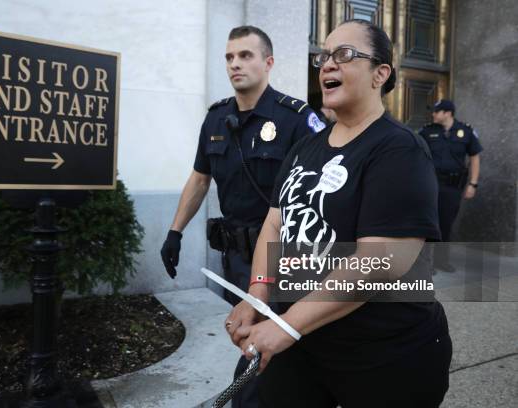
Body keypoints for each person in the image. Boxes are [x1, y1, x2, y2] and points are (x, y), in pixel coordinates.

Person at [225, 19, 452, 408]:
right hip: (302, 345)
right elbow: (275, 225)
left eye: (344, 54)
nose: (328, 63)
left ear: (381, 73)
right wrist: (258, 295)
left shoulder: (399, 151)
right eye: (324, 56)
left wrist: (286, 326)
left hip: (382, 357)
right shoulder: (304, 148)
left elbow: (379, 262)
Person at [160, 25, 325, 407]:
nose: (235, 64)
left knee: (264, 347)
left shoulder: (297, 118)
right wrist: (175, 232)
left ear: (268, 63)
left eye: (245, 55)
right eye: (230, 57)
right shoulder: (216, 118)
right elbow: (200, 178)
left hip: (282, 257)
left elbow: (320, 192)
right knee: (252, 339)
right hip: (235, 256)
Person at [419, 99, 483, 272]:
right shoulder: (426, 131)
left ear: (447, 113)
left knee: (446, 224)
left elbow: (475, 157)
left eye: (436, 111)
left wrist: (473, 183)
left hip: (453, 186)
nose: (433, 114)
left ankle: (441, 261)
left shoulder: (466, 131)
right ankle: (424, 263)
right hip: (430, 185)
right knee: (427, 223)